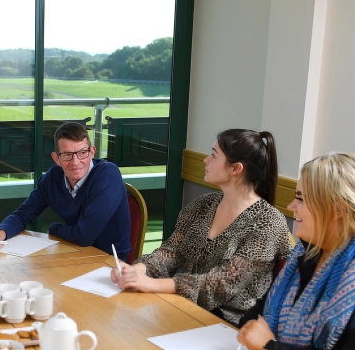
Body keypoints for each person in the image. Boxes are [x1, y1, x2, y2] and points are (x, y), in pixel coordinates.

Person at [112, 129, 292, 325]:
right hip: (183, 308)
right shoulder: (204, 204)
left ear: (235, 169)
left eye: (214, 156)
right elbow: (171, 252)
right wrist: (139, 270)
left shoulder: (268, 222)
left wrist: (153, 283)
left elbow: (222, 284)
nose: (206, 160)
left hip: (228, 326)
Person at [238, 152, 355, 350]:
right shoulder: (305, 253)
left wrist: (271, 348)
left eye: (301, 199)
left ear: (337, 210)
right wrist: (267, 345)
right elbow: (254, 317)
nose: (291, 207)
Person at [0, 122, 131, 258]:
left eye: (82, 153)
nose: (76, 162)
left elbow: (85, 236)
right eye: (67, 155)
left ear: (92, 152)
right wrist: (0, 233)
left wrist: (54, 228)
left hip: (110, 262)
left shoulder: (108, 175)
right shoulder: (53, 178)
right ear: (56, 158)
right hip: (72, 253)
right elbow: (23, 214)